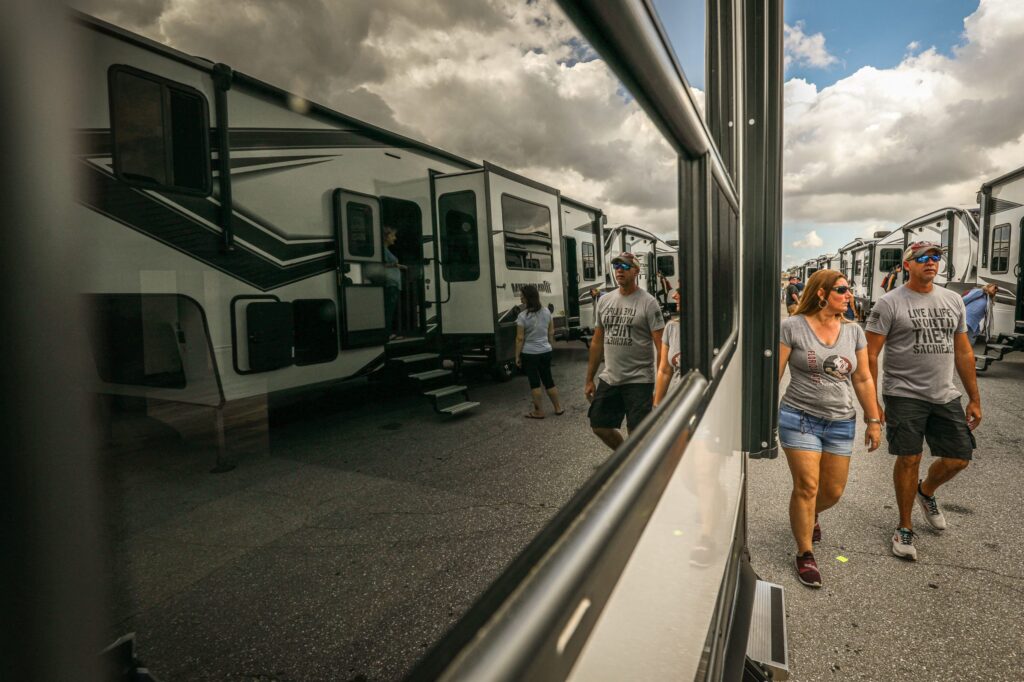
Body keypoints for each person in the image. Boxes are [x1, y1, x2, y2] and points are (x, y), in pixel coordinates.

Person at [865, 241, 981, 561]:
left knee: (959, 457)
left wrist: (974, 397)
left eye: (936, 257)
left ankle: (925, 491)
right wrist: (872, 402)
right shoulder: (888, 303)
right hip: (903, 393)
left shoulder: (953, 300)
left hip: (944, 393)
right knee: (909, 458)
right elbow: (870, 354)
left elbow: (963, 351)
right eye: (923, 258)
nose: (931, 262)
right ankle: (904, 526)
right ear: (908, 265)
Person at [778, 269, 882, 587]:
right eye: (842, 289)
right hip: (799, 417)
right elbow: (774, 371)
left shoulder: (854, 332)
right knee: (807, 486)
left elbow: (863, 378)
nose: (849, 295)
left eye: (848, 289)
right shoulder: (792, 327)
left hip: (841, 421)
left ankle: (811, 514)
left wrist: (873, 419)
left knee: (832, 492)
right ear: (822, 293)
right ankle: (804, 553)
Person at [585, 252, 665, 450]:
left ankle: (638, 467)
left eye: (625, 266)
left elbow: (661, 346)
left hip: (639, 380)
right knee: (599, 425)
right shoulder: (604, 301)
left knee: (638, 434)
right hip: (611, 377)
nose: (619, 270)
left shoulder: (648, 303)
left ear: (636, 271)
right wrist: (589, 378)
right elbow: (597, 342)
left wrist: (660, 389)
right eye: (616, 266)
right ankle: (625, 457)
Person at [514, 284, 563, 418]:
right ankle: (558, 408)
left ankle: (539, 411)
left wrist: (516, 356)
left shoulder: (522, 316)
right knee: (548, 380)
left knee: (534, 382)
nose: (520, 298)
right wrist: (549, 346)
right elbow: (551, 332)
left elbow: (519, 338)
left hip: (530, 353)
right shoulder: (547, 312)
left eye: (522, 296)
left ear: (528, 298)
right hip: (545, 351)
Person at [653, 283, 683, 407]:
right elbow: (665, 370)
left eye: (680, 291)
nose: (674, 296)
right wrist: (657, 405)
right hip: (675, 404)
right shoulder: (672, 327)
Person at [382, 227, 407, 340]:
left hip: (393, 284)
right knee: (389, 310)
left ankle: (388, 333)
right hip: (390, 284)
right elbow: (381, 265)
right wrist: (396, 266)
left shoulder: (386, 250)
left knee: (390, 310)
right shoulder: (382, 250)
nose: (394, 238)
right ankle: (386, 334)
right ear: (386, 237)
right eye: (392, 235)